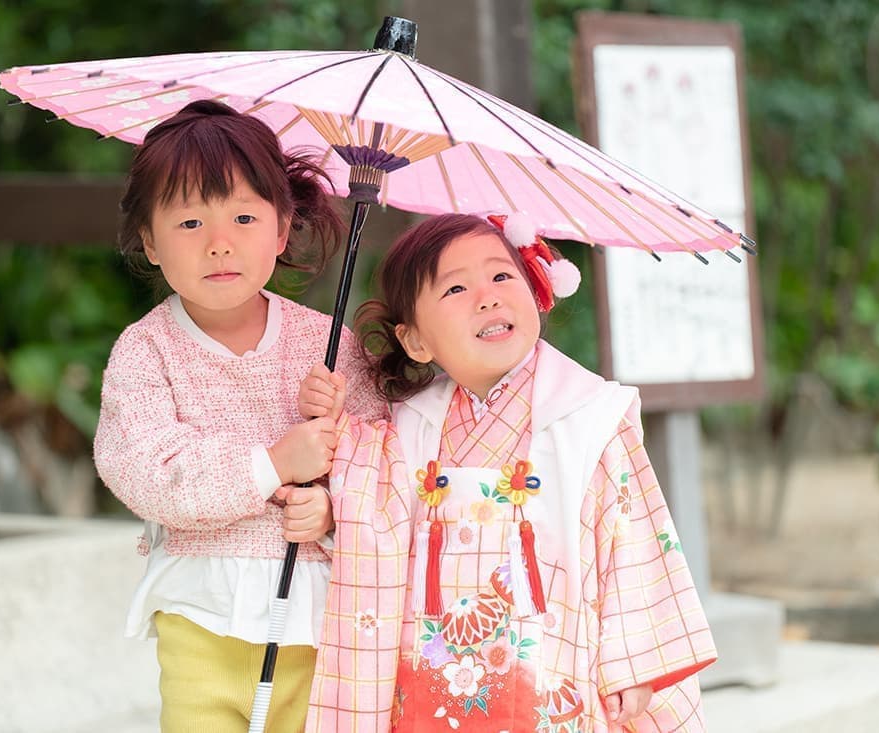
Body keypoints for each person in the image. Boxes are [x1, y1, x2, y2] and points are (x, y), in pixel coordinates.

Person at [299, 213, 717, 732]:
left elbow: (633, 543)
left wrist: (634, 661)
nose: (488, 297)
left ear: (536, 291)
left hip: (550, 660)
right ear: (416, 342)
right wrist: (331, 489)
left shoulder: (590, 417)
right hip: (437, 667)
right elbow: (372, 513)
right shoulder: (409, 428)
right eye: (455, 287)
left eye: (501, 276)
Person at [93, 99, 387, 733]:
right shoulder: (145, 351)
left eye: (245, 217)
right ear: (149, 240)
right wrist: (273, 464)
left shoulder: (328, 348)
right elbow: (145, 470)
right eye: (191, 222)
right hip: (202, 615)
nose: (220, 243)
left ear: (281, 232)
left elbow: (386, 463)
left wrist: (336, 506)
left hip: (321, 621)